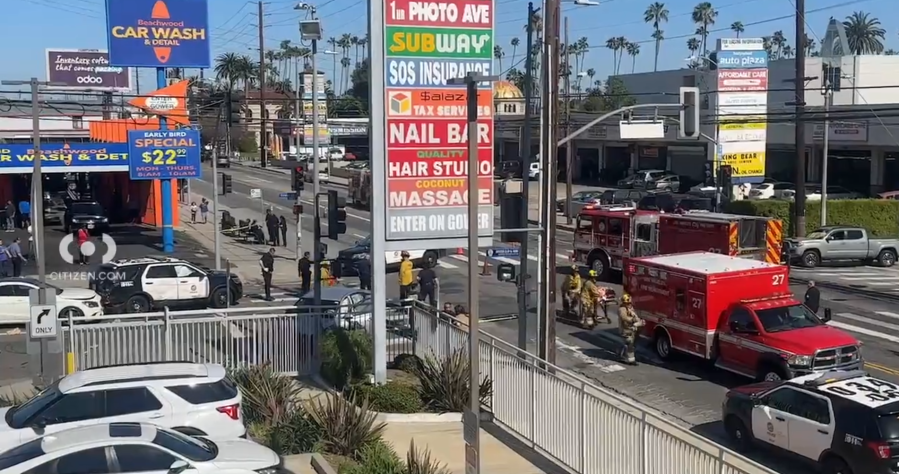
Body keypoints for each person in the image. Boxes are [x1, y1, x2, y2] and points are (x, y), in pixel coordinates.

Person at [618, 293, 642, 365]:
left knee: (630, 344)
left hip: (631, 329)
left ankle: (622, 354)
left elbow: (635, 316)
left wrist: (639, 322)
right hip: (625, 330)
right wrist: (632, 320)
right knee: (629, 344)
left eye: (629, 303)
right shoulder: (621, 309)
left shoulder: (630, 308)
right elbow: (624, 318)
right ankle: (630, 360)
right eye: (627, 303)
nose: (629, 304)